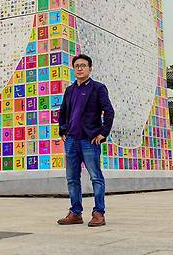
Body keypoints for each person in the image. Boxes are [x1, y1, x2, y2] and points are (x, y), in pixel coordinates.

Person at [56, 54, 114, 227]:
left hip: (90, 141)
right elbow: (63, 112)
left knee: (96, 177)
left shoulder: (98, 88)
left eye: (83, 65)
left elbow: (109, 112)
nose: (80, 68)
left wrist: (103, 133)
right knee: (72, 178)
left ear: (90, 68)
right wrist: (63, 131)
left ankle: (98, 213)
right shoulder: (70, 90)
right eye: (77, 66)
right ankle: (75, 213)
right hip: (71, 140)